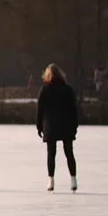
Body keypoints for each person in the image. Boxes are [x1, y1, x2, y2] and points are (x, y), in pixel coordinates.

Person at [37, 63, 79, 192]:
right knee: (69, 153)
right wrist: (74, 126)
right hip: (66, 125)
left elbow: (40, 110)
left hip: (51, 125)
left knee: (51, 153)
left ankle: (51, 181)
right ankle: (73, 180)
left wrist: (39, 126)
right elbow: (74, 110)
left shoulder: (45, 89)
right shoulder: (67, 89)